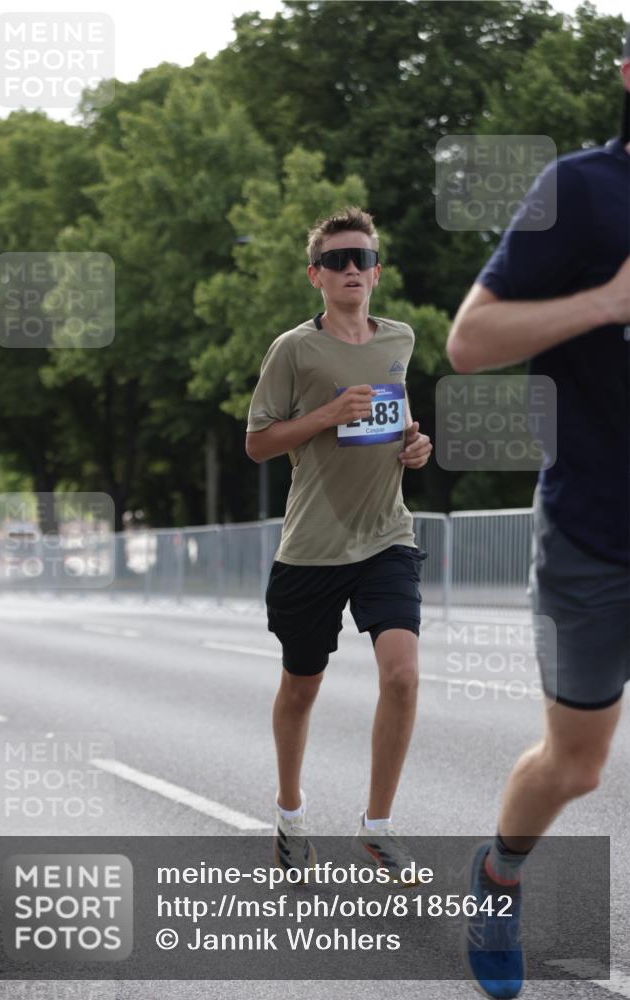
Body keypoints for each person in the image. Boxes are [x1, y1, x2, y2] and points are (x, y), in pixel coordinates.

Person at [447, 29, 630, 1000]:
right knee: (575, 765)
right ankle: (500, 870)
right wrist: (605, 301)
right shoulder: (580, 190)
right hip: (595, 535)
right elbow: (470, 341)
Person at [245, 206, 433, 882]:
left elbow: (396, 418)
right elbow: (257, 442)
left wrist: (414, 445)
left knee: (402, 676)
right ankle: (290, 817)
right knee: (300, 689)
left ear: (377, 271)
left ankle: (377, 828)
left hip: (386, 536)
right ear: (315, 275)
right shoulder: (293, 350)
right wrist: (326, 414)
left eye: (362, 258)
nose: (351, 268)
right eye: (336, 260)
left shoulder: (400, 338)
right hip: (312, 549)